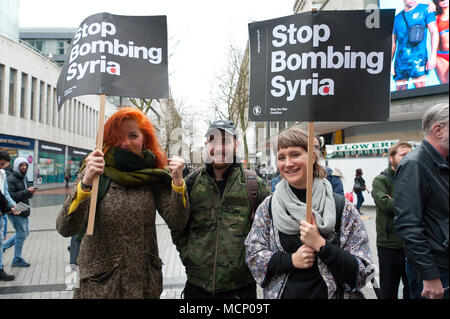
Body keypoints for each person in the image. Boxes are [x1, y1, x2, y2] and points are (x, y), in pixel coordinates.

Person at [56, 107, 189, 299]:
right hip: (101, 288)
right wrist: (86, 183)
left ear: (145, 140)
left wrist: (177, 182)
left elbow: (178, 222)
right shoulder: (94, 171)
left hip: (144, 285)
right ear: (110, 138)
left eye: (133, 135)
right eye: (119, 136)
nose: (125, 142)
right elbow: (65, 227)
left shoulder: (152, 176)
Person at [245, 128, 374, 299]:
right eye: (282, 157)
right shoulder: (268, 207)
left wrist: (322, 245)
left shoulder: (342, 207)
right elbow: (253, 256)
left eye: (295, 154)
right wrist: (291, 260)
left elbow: (362, 272)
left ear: (312, 157)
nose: (288, 163)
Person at [171, 120, 270, 299]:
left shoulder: (254, 185)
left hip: (241, 290)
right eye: (212, 141)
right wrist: (189, 258)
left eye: (225, 141)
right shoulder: (191, 183)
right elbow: (177, 227)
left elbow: (267, 234)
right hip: (197, 288)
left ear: (236, 145)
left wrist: (250, 265)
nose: (218, 147)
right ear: (206, 145)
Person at [394, 103, 449, 300]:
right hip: (435, 271)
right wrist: (429, 275)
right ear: (438, 130)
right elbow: (408, 225)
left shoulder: (441, 162)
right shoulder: (414, 164)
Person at [371, 141, 413, 299]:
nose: (408, 158)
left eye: (411, 154)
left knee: (413, 289)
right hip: (389, 245)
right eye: (403, 155)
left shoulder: (414, 178)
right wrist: (412, 201)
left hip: (412, 244)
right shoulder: (381, 180)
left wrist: (396, 200)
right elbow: (386, 204)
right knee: (388, 291)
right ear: (391, 158)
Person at [392, 0, 439, 91]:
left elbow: (434, 32)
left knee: (420, 87)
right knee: (400, 91)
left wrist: (433, 56)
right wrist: (389, 63)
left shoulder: (425, 9)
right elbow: (393, 43)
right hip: (401, 61)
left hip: (419, 59)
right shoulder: (397, 19)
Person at [3, 158, 36, 267]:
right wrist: (26, 191)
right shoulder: (11, 179)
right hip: (15, 209)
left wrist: (30, 192)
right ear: (16, 166)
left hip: (23, 208)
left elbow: (24, 195)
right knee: (21, 233)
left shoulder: (24, 178)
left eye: (25, 165)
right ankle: (17, 259)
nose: (24, 167)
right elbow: (11, 197)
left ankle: (2, 247)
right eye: (21, 165)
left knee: (24, 233)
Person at [433, 0, 449, 83]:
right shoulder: (436, 18)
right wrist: (429, 5)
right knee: (445, 87)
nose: (444, 1)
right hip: (441, 57)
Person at [0, 151, 14, 240]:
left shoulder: (3, 174)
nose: (2, 167)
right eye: (1, 164)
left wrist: (13, 204)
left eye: (4, 165)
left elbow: (5, 193)